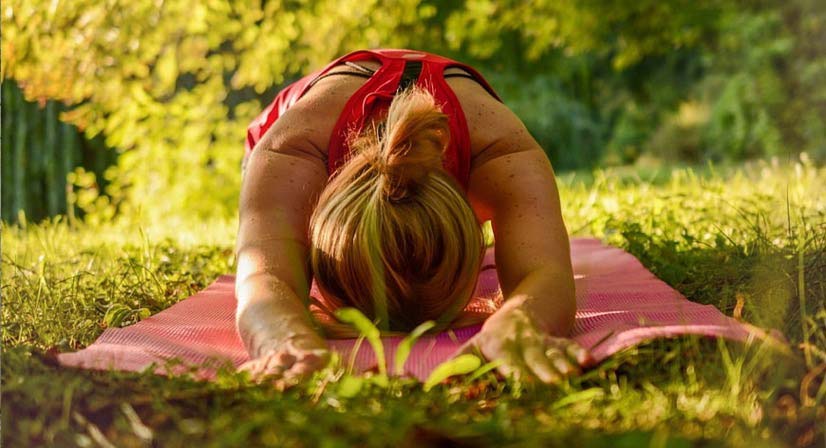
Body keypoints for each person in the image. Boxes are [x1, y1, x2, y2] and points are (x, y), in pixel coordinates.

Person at [235, 49, 591, 385]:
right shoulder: (292, 150)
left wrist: (521, 321)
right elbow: (261, 277)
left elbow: (546, 273)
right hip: (303, 122)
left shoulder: (501, 152)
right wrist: (283, 337)